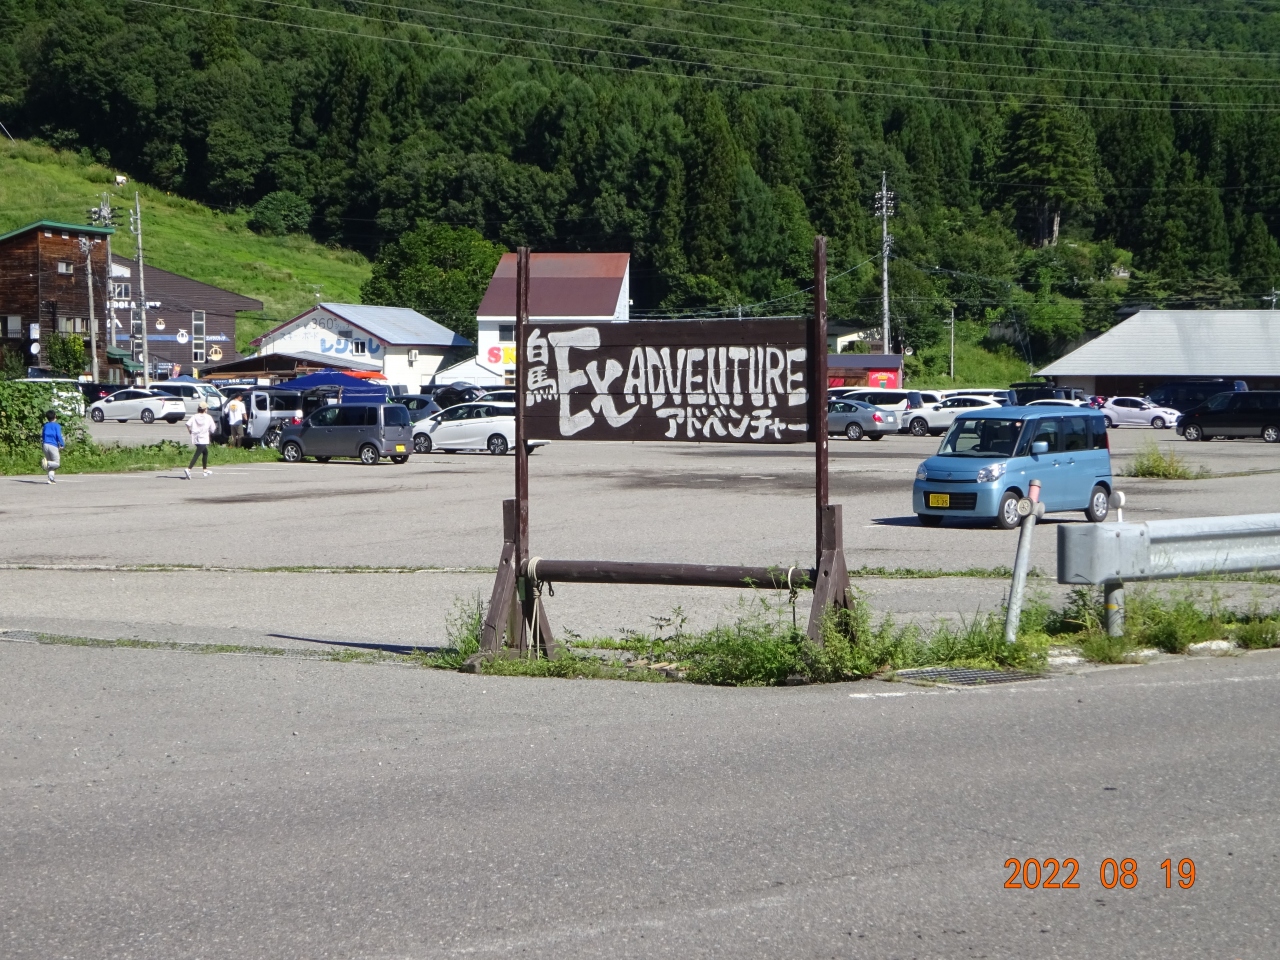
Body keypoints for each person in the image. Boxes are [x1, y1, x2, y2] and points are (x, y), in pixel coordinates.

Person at [184, 402, 216, 479]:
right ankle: (188, 469)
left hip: (195, 437)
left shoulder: (194, 416)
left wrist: (190, 431)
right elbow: (213, 428)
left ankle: (205, 470)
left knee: (205, 452)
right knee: (197, 454)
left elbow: (188, 424)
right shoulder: (208, 417)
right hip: (203, 438)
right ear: (205, 409)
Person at [40, 409, 64, 484]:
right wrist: (62, 444)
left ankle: (51, 479)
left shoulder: (45, 425)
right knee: (56, 463)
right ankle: (46, 463)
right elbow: (58, 436)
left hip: (45, 444)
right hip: (53, 445)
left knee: (51, 464)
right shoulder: (57, 426)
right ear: (55, 416)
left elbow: (43, 435)